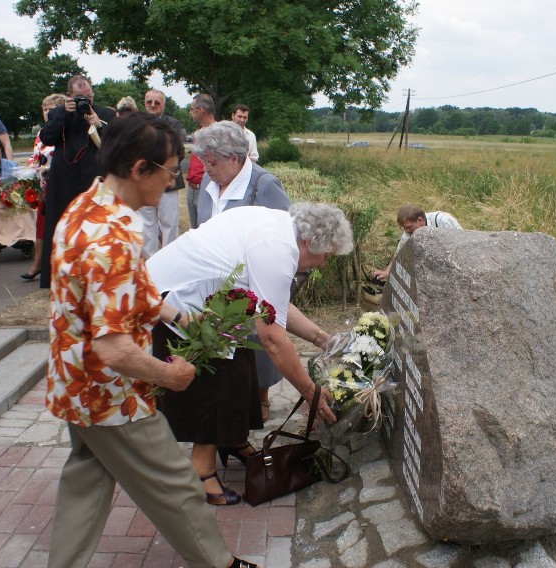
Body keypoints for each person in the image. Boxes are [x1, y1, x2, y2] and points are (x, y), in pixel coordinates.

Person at [46, 111, 256, 568]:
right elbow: (113, 347)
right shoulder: (114, 237)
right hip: (111, 394)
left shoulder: (87, 208)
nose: (172, 184)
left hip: (73, 385)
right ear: (139, 168)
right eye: (169, 173)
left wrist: (184, 316)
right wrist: (171, 374)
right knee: (175, 483)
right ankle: (220, 563)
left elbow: (124, 293)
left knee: (88, 478)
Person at [146, 203, 351, 505]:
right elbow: (272, 338)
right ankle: (200, 471)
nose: (322, 263)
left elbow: (274, 306)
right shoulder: (277, 249)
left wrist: (324, 340)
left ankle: (232, 440)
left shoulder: (282, 228)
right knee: (218, 378)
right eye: (326, 255)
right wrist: (311, 391)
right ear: (310, 242)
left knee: (241, 368)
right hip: (176, 302)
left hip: (208, 303)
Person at [193, 120, 291, 422]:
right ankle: (232, 411)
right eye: (204, 162)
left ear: (235, 159)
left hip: (252, 283)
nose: (206, 169)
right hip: (213, 286)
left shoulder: (264, 184)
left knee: (259, 345)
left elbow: (285, 232)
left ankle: (261, 397)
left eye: (212, 162)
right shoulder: (210, 182)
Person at [38, 75, 115, 289]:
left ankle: (99, 272)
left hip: (95, 178)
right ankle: (60, 274)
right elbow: (47, 137)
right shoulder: (58, 113)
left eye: (89, 97)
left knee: (97, 226)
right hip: (65, 179)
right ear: (70, 96)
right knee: (62, 226)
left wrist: (99, 124)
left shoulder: (107, 113)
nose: (86, 102)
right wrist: (64, 112)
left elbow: (117, 144)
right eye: (81, 97)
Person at [22, 93, 64, 280]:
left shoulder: (63, 129)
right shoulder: (41, 133)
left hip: (60, 183)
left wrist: (48, 167)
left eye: (51, 109)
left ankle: (57, 266)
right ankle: (38, 263)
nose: (47, 112)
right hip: (43, 185)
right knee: (41, 225)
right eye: (44, 109)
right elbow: (36, 155)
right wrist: (32, 165)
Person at [140, 89, 185, 259]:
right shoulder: (137, 124)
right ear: (144, 103)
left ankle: (169, 260)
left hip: (168, 179)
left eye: (156, 102)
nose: (152, 105)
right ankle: (150, 263)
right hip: (145, 181)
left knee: (169, 222)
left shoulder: (173, 124)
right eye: (149, 102)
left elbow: (178, 152)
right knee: (146, 224)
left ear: (163, 105)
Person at [372, 204, 463, 281]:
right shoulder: (408, 232)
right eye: (404, 228)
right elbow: (399, 253)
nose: (406, 231)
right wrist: (386, 272)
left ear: (420, 220)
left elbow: (463, 242)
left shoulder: (443, 220)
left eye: (408, 227)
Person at [186, 93, 216, 229]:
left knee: (206, 231)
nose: (190, 112)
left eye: (192, 109)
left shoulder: (218, 133)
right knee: (195, 231)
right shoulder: (198, 133)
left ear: (201, 110)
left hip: (206, 189)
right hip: (191, 188)